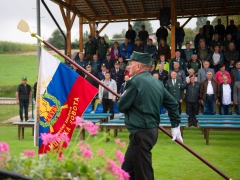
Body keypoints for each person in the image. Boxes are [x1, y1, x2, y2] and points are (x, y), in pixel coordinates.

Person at [117, 52, 182, 180]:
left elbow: (121, 106)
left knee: (143, 174)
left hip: (141, 133)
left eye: (131, 63)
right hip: (149, 132)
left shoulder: (135, 81)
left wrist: (123, 97)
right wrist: (175, 126)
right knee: (125, 172)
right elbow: (173, 104)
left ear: (138, 67)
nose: (129, 66)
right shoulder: (157, 82)